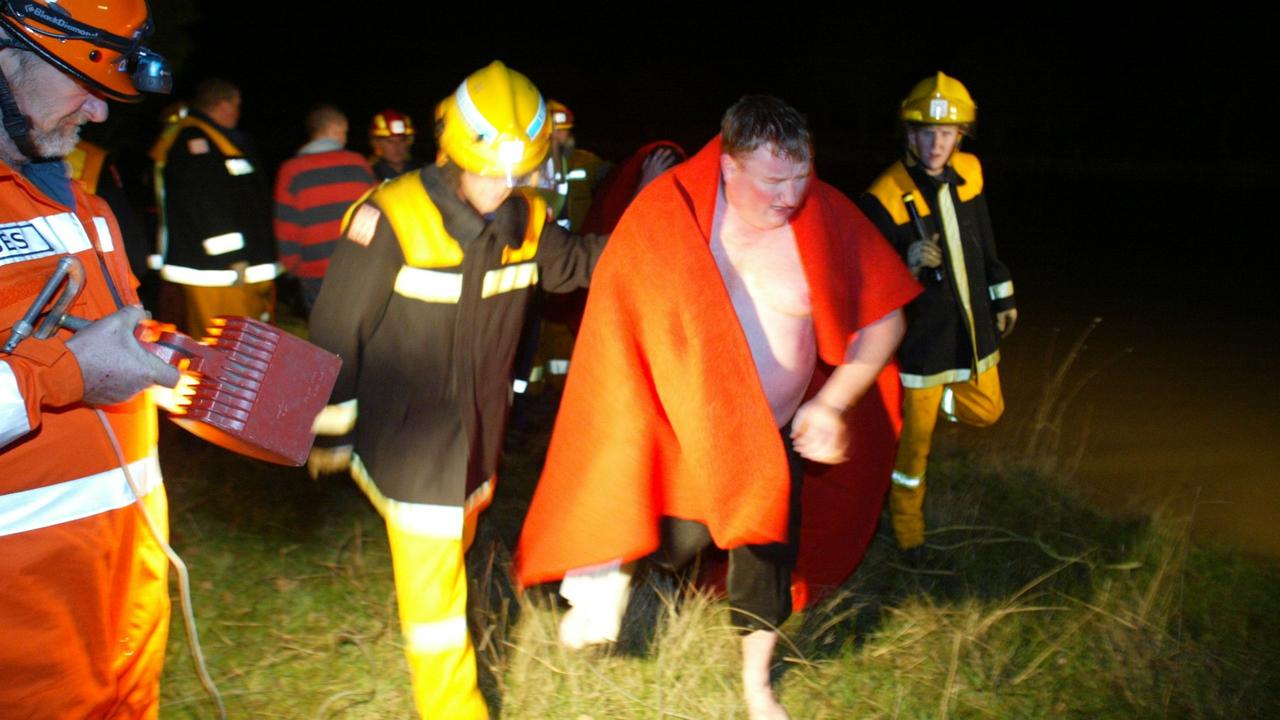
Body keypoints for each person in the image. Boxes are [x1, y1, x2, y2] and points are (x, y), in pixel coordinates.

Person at [517, 95, 920, 719]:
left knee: (765, 556)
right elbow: (619, 307)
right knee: (668, 540)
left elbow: (887, 317)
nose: (791, 194)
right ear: (730, 167)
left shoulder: (828, 219)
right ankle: (606, 577)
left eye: (802, 174)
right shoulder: (676, 213)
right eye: (773, 179)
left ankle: (756, 684)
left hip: (772, 435)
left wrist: (834, 403)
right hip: (683, 429)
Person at [307, 60, 607, 719]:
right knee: (437, 606)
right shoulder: (390, 216)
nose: (502, 188)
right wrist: (328, 426)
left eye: (516, 174)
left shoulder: (526, 218)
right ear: (452, 149)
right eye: (490, 171)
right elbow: (335, 327)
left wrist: (662, 244)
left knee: (455, 551)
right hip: (413, 444)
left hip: (479, 438)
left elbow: (578, 262)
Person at [0, 1, 180, 716]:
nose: (101, 114)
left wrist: (181, 363)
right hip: (23, 641)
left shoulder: (80, 204)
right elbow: (67, 365)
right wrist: (68, 373)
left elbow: (98, 346)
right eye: (81, 77)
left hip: (122, 609)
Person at [858, 72, 1018, 561]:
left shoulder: (969, 173)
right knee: (915, 454)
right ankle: (909, 534)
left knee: (990, 410)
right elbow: (864, 276)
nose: (936, 143)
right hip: (924, 343)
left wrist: (1003, 295)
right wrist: (905, 260)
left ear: (959, 137)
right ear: (910, 134)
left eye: (946, 134)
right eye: (926, 132)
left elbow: (985, 244)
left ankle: (941, 400)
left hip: (972, 331)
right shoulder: (884, 194)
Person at [151, 77, 280, 336]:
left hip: (231, 270)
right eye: (236, 105)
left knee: (246, 343)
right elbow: (206, 203)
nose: (238, 113)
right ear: (224, 105)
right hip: (219, 272)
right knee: (226, 344)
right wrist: (231, 257)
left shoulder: (217, 140)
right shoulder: (196, 142)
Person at [274, 104, 375, 310]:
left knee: (324, 336)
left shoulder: (291, 170)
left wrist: (294, 266)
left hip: (314, 272)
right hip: (360, 267)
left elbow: (286, 226)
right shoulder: (358, 164)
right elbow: (376, 213)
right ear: (335, 128)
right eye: (344, 132)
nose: (345, 138)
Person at [368, 108, 423, 181]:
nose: (397, 146)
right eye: (390, 141)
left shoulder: (422, 172)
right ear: (376, 143)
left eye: (402, 140)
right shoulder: (368, 175)